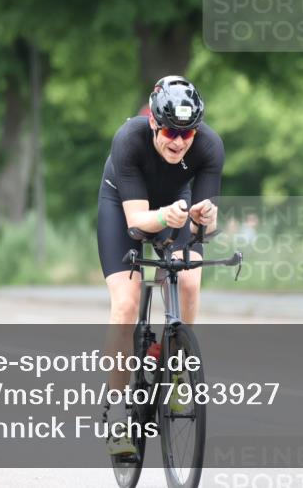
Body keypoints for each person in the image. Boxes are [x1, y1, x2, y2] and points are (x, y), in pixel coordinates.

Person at [98, 75, 223, 457]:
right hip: (124, 208)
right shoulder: (129, 139)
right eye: (170, 130)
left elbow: (207, 227)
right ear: (154, 122)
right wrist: (166, 216)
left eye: (187, 134)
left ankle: (179, 367)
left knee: (188, 281)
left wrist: (206, 217)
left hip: (175, 205)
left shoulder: (210, 147)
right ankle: (117, 415)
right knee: (125, 306)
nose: (178, 141)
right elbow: (136, 223)